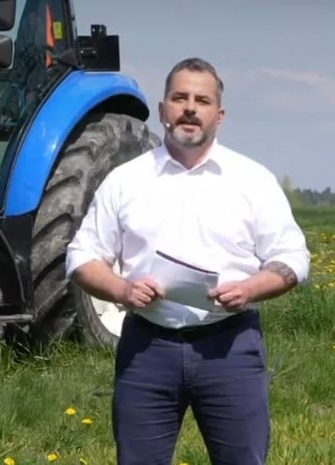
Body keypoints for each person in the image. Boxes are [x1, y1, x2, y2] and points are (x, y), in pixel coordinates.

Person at [65, 57, 310, 465]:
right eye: (180, 98)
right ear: (163, 110)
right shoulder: (126, 180)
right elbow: (82, 256)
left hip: (229, 346)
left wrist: (249, 289)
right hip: (148, 348)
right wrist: (122, 290)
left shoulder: (252, 181)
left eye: (202, 100)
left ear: (219, 115)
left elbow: (293, 258)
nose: (190, 108)